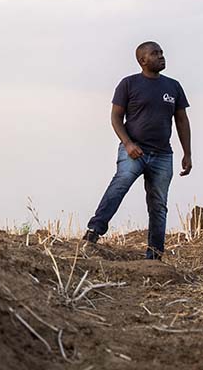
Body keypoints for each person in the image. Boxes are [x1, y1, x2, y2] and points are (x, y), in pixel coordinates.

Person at [82, 41, 192, 259]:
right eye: (155, 53)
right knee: (119, 185)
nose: (161, 56)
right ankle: (94, 231)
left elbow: (182, 120)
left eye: (161, 52)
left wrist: (187, 153)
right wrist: (128, 144)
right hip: (134, 151)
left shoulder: (173, 86)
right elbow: (115, 118)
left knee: (158, 205)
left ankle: (154, 254)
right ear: (142, 60)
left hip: (162, 155)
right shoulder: (128, 84)